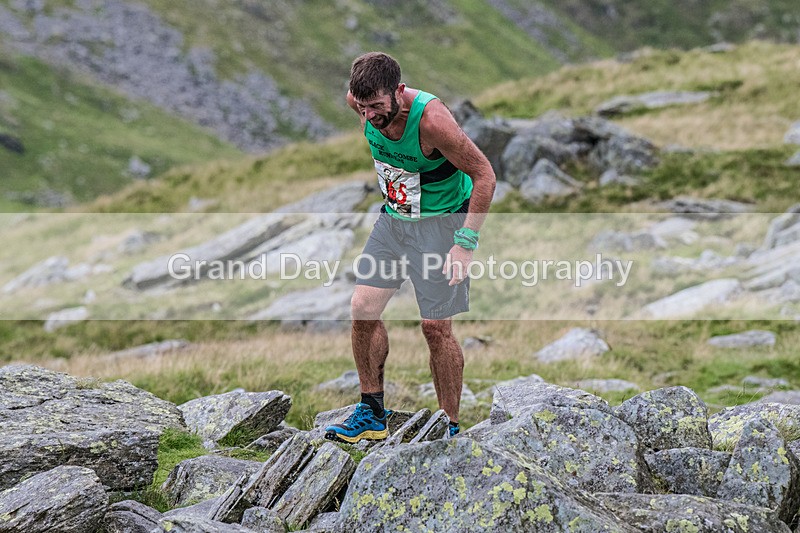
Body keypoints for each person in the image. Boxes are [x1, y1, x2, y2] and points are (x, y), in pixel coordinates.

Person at [324, 52, 496, 444]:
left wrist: (465, 243)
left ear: (399, 92)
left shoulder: (433, 122)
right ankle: (371, 413)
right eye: (362, 107)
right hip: (395, 221)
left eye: (377, 108)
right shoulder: (359, 100)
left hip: (441, 226)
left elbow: (484, 175)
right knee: (362, 308)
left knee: (436, 329)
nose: (368, 117)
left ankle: (449, 427)